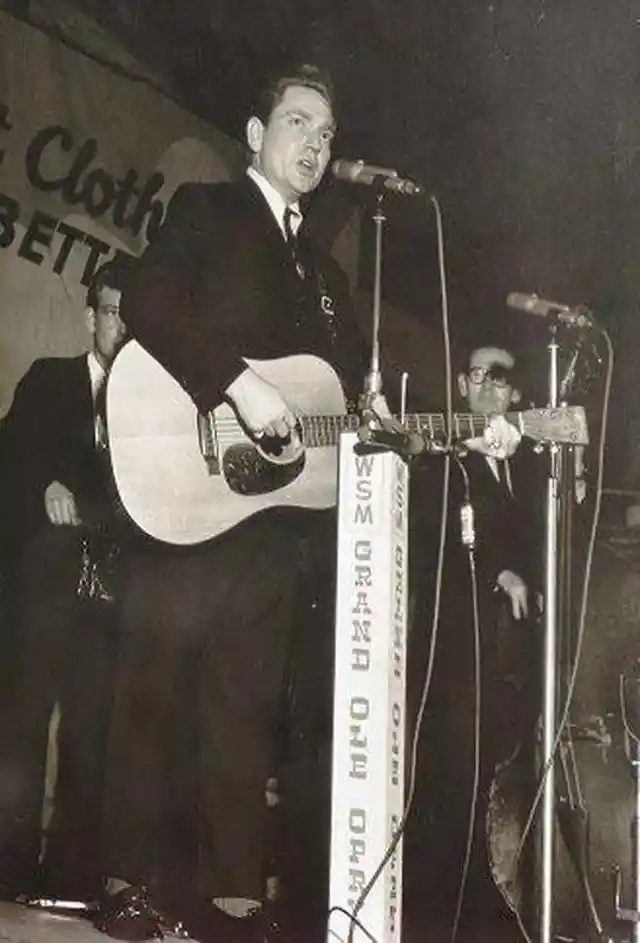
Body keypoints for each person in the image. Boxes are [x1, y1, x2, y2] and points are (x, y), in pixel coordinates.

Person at [94, 66, 522, 943]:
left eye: (327, 135)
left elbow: (355, 416)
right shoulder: (208, 214)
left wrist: (465, 435)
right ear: (255, 135)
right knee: (155, 692)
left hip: (271, 526)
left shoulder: (326, 277)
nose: (317, 145)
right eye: (299, 123)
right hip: (183, 486)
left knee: (243, 713)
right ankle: (124, 884)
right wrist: (238, 386)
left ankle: (234, 904)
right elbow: (146, 298)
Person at [0, 258, 131, 902]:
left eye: (132, 315)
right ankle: (6, 873)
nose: (122, 326)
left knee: (91, 733)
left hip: (109, 598)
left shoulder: (148, 410)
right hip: (46, 588)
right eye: (111, 312)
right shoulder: (49, 380)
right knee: (20, 727)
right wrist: (46, 483)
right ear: (91, 318)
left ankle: (70, 881)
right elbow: (12, 450)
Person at [405, 341, 542, 937]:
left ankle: (495, 907)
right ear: (462, 387)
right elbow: (430, 532)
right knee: (450, 781)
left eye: (500, 376)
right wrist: (497, 572)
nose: (486, 383)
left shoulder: (528, 464)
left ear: (515, 394)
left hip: (510, 658)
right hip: (456, 653)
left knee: (499, 782)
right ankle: (438, 917)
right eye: (476, 374)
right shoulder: (444, 458)